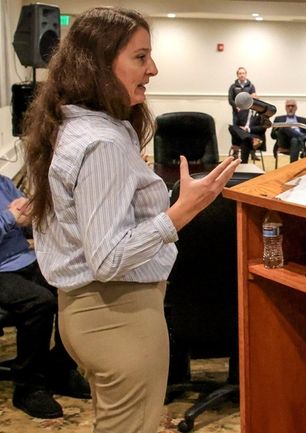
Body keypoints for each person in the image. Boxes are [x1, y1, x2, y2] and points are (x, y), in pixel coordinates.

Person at [21, 8, 240, 433]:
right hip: (118, 317)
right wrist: (183, 211)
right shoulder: (101, 142)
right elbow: (108, 257)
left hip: (95, 314)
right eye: (140, 57)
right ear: (99, 65)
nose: (153, 69)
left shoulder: (82, 124)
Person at [0, 175, 91, 419]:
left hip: (23, 260)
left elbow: (26, 223)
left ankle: (61, 368)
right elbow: (11, 220)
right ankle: (28, 387)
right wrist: (10, 218)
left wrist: (33, 213)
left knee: (71, 282)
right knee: (39, 302)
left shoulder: (3, 183)